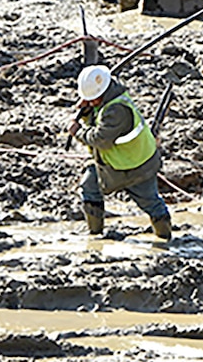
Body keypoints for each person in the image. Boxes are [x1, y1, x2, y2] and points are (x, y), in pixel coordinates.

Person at [68, 65, 172, 239]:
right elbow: (99, 123)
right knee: (89, 186)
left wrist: (77, 131)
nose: (92, 102)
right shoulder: (111, 99)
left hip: (136, 167)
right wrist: (87, 113)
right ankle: (95, 234)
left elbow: (100, 138)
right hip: (121, 162)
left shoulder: (116, 110)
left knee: (151, 204)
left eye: (94, 99)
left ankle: (165, 239)